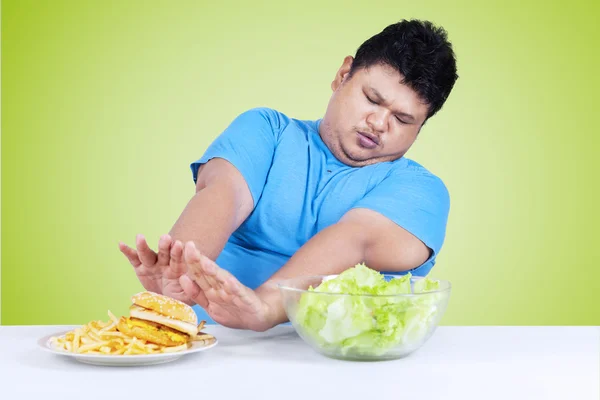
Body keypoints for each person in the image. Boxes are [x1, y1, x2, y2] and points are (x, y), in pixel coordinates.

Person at [119, 19, 458, 331]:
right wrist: (181, 274)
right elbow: (223, 193)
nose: (379, 123)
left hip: (343, 366)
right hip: (209, 343)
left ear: (420, 127)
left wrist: (267, 305)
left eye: (402, 119)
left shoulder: (422, 191)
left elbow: (353, 238)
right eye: (372, 99)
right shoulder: (267, 130)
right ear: (342, 76)